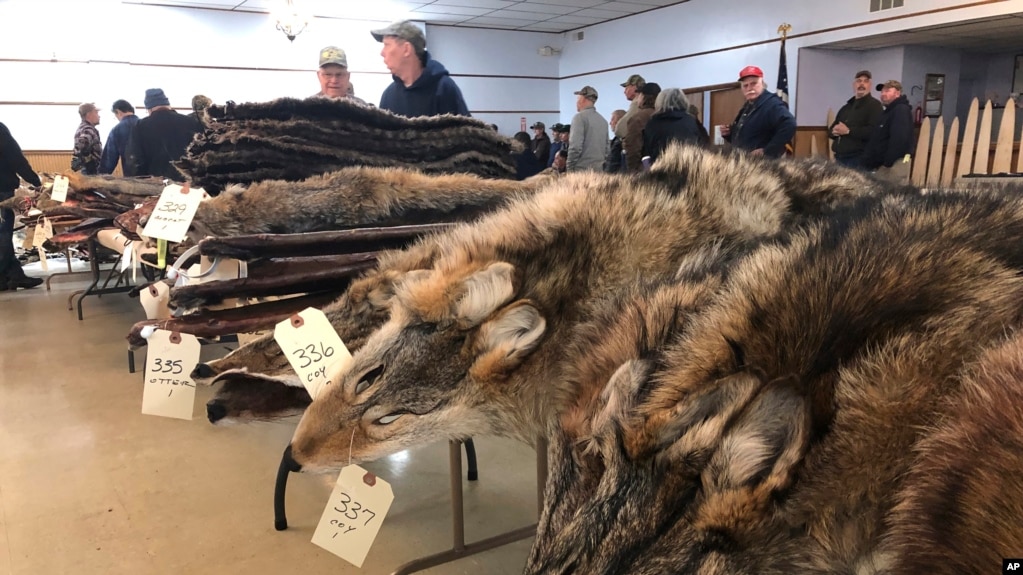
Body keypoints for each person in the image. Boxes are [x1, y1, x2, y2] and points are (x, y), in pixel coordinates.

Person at [371, 21, 469, 117]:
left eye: (387, 45)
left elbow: (467, 131)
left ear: (406, 49)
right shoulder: (389, 94)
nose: (382, 53)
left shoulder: (444, 88)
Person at [0, 122, 43, 290]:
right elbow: (15, 158)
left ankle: (14, 276)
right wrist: (35, 181)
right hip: (1, 189)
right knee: (3, 234)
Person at [125, 88, 201, 181]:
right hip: (188, 185)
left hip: (156, 186)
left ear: (149, 108)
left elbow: (134, 161)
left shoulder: (140, 127)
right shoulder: (191, 122)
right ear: (168, 104)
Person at [721, 65, 796, 158]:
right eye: (745, 85)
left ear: (762, 84)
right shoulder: (748, 105)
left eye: (753, 83)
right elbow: (750, 135)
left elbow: (789, 124)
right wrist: (729, 134)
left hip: (761, 166)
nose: (749, 88)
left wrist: (768, 151)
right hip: (744, 163)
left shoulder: (771, 103)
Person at [861, 79, 914, 185]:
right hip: (885, 165)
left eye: (887, 91)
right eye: (882, 92)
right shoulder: (888, 112)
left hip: (894, 165)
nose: (883, 94)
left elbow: (899, 139)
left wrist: (887, 163)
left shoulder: (900, 110)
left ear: (897, 93)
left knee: (892, 195)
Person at [829, 70, 883, 169]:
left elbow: (873, 132)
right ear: (854, 85)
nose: (862, 84)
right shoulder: (846, 107)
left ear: (870, 85)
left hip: (858, 159)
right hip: (839, 158)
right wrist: (834, 131)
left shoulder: (874, 106)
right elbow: (831, 129)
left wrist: (848, 131)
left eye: (865, 81)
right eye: (859, 81)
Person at [642, 88, 704, 164]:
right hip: (687, 166)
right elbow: (701, 145)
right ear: (683, 101)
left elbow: (647, 152)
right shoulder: (691, 121)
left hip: (660, 169)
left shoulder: (652, 124)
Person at [567, 86, 609, 173]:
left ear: (582, 99)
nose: (576, 102)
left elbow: (575, 147)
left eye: (578, 98)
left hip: (581, 172)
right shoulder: (603, 121)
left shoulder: (579, 118)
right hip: (599, 172)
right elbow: (607, 150)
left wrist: (569, 169)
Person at [624, 82, 660, 172]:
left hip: (644, 169)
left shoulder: (638, 118)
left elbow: (633, 147)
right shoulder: (664, 115)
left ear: (643, 97)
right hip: (663, 166)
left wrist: (633, 171)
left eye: (639, 95)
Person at [99, 100, 139, 175]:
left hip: (132, 177)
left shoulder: (116, 130)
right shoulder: (146, 125)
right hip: (153, 176)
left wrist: (101, 176)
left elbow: (109, 159)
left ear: (118, 112)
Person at [616, 74, 645, 161]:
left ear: (634, 87)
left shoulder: (637, 104)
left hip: (636, 154)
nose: (624, 91)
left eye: (626, 88)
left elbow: (620, 130)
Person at [72, 103, 102, 175]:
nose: (99, 116)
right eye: (96, 112)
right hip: (90, 171)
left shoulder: (82, 128)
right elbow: (83, 146)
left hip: (86, 169)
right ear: (89, 114)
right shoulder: (88, 129)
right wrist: (89, 163)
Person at [604, 109, 626, 173]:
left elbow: (613, 163)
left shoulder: (619, 142)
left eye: (612, 119)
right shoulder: (616, 140)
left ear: (620, 121)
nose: (610, 123)